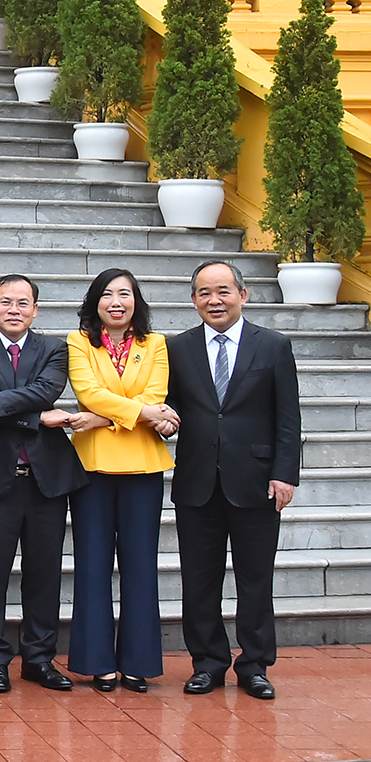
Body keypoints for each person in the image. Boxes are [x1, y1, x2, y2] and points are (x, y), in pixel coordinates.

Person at [170, 260, 301, 700]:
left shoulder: (274, 346)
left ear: (243, 295)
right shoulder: (177, 349)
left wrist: (285, 473)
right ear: (193, 301)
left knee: (255, 580)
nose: (215, 300)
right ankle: (208, 663)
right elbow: (166, 407)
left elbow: (288, 418)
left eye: (223, 291)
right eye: (205, 293)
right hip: (197, 482)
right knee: (199, 580)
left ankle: (255, 665)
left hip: (257, 481)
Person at [0, 275, 89, 695]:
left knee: (44, 574)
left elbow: (46, 390)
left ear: (36, 309)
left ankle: (39, 659)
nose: (14, 309)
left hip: (46, 480)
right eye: (6, 301)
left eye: (23, 302)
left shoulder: (54, 347)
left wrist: (1, 404)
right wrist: (36, 416)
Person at [66, 268, 175, 693]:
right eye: (107, 294)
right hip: (92, 468)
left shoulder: (156, 344)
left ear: (136, 301)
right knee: (92, 566)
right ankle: (97, 662)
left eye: (125, 294)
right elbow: (90, 393)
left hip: (144, 468)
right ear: (95, 302)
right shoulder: (78, 343)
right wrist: (141, 415)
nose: (116, 301)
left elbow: (156, 394)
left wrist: (104, 419)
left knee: (140, 567)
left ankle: (138, 662)